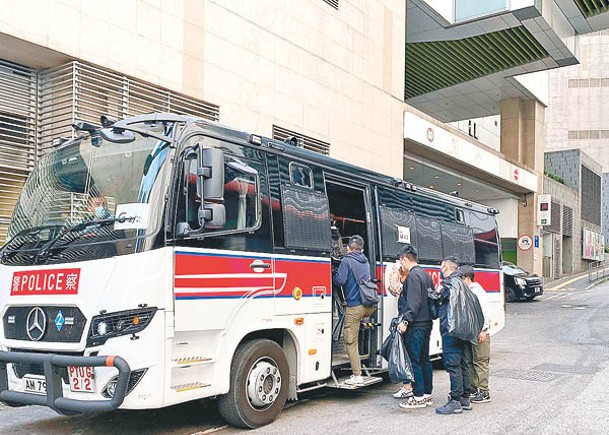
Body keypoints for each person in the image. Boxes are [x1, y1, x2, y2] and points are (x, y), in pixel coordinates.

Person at [432, 256, 474, 415]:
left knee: (452, 365)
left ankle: (455, 400)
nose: (441, 271)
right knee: (463, 363)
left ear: (447, 268)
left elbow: (437, 302)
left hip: (451, 330)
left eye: (442, 268)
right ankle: (465, 398)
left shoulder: (449, 284)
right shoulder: (462, 284)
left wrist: (434, 292)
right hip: (462, 331)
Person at [395, 244, 435, 409]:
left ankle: (417, 397)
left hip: (416, 324)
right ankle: (426, 394)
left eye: (400, 261)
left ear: (405, 259)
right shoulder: (426, 275)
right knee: (425, 359)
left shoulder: (413, 276)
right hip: (426, 322)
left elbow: (413, 302)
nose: (400, 265)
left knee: (414, 361)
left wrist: (405, 321)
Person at [333, 235, 375, 386]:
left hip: (356, 306)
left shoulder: (346, 261)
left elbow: (340, 281)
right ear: (361, 248)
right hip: (369, 306)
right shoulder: (365, 260)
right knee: (355, 333)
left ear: (349, 248)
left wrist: (333, 274)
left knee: (350, 341)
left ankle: (357, 375)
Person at [459, 265, 492, 404]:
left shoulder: (478, 291)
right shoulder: (467, 291)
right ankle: (474, 389)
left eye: (460, 278)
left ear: (466, 278)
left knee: (480, 361)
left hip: (479, 332)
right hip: (471, 332)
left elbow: (485, 311)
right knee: (470, 361)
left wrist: (484, 330)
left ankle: (484, 392)